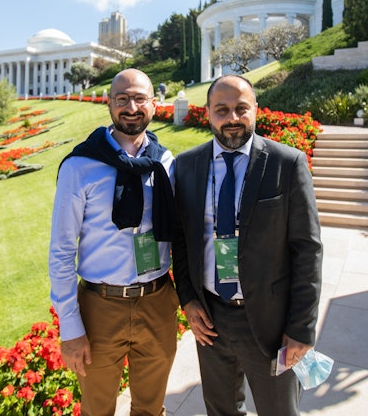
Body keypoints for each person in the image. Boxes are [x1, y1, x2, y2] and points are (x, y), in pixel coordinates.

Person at [172, 74, 323, 416]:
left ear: (256, 109)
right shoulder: (186, 166)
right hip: (211, 319)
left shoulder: (287, 164)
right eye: (222, 110)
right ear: (208, 113)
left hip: (271, 323)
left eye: (241, 108)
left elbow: (307, 250)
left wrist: (301, 329)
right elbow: (181, 239)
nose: (233, 118)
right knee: (221, 410)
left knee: (279, 411)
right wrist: (189, 299)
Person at [49, 68, 179, 416]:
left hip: (157, 302)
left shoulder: (166, 163)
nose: (131, 107)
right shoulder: (80, 166)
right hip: (100, 307)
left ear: (154, 104)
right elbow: (61, 250)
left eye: (139, 99)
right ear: (109, 104)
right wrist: (71, 327)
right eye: (122, 99)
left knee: (151, 408)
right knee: (97, 409)